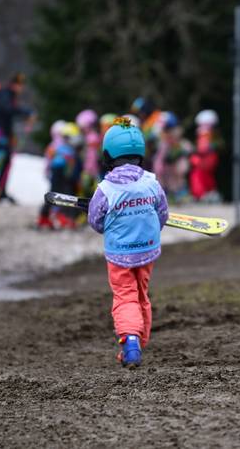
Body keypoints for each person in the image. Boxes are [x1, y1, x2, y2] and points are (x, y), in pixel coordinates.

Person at [87, 117, 169, 368]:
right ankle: (138, 341)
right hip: (147, 251)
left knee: (125, 297)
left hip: (119, 256)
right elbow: (162, 213)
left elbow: (95, 221)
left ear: (108, 155)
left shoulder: (106, 188)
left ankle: (130, 339)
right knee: (142, 296)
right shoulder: (151, 182)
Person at [0, 73, 34, 203]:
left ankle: (0, 192)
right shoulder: (5, 93)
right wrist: (26, 112)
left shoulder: (9, 94)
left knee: (6, 163)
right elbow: (8, 109)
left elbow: (8, 116)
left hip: (4, 135)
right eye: (21, 85)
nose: (22, 88)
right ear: (16, 84)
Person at [39, 123, 82, 229]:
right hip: (59, 174)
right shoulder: (63, 149)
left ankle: (54, 217)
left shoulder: (64, 149)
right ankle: (49, 217)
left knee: (60, 195)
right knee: (56, 195)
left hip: (62, 175)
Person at [153, 111, 192, 203]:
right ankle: (169, 196)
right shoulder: (163, 137)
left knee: (177, 180)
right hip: (165, 164)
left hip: (175, 164)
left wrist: (176, 154)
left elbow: (185, 149)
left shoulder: (176, 137)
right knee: (166, 180)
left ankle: (180, 195)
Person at [190, 109, 222, 202]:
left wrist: (194, 152)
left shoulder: (205, 133)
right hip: (209, 159)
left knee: (198, 175)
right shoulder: (213, 133)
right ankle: (210, 192)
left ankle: (202, 194)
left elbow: (202, 148)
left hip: (204, 159)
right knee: (206, 176)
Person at [76, 109, 102, 196]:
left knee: (89, 192)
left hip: (91, 170)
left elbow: (92, 156)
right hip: (90, 170)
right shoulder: (92, 136)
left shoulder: (91, 137)